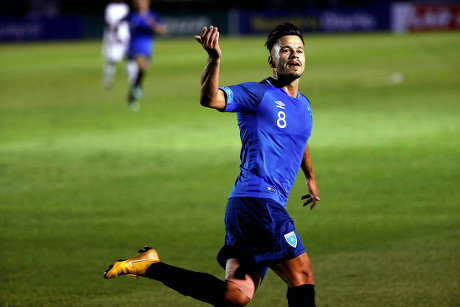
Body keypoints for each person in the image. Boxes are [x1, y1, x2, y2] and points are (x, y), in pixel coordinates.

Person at [103, 23, 320, 307]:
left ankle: (147, 265)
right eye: (286, 50)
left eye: (299, 50)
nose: (294, 55)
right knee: (302, 275)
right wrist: (214, 59)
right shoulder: (257, 94)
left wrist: (310, 177)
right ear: (272, 60)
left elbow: (299, 137)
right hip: (259, 203)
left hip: (246, 207)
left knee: (235, 295)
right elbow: (210, 98)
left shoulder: (303, 105)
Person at [124, 0, 166, 110]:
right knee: (141, 65)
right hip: (133, 47)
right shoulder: (131, 16)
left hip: (146, 48)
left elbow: (162, 29)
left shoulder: (152, 16)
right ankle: (136, 88)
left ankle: (133, 94)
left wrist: (153, 25)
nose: (140, 4)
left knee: (143, 68)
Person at [101, 0, 130, 90]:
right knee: (112, 60)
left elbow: (126, 22)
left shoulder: (125, 7)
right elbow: (110, 23)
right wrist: (115, 36)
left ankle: (133, 80)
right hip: (114, 38)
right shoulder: (110, 7)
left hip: (125, 37)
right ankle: (108, 81)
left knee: (129, 58)